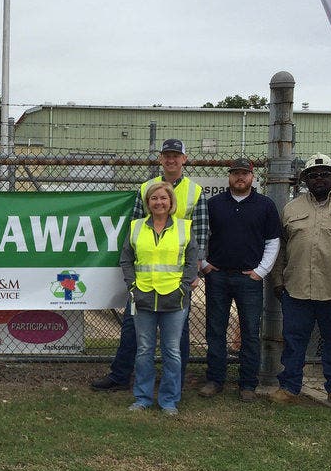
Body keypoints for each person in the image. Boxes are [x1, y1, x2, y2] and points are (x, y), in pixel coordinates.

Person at [92, 138, 208, 391]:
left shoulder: (195, 191)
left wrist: (195, 270)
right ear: (160, 159)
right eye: (167, 155)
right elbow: (134, 227)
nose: (171, 160)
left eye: (176, 155)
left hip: (176, 279)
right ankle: (121, 376)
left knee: (178, 335)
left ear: (184, 160)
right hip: (144, 279)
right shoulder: (146, 187)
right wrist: (132, 280)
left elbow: (200, 232)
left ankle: (175, 381)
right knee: (132, 329)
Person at [269, 154, 331, 407]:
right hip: (296, 288)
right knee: (294, 340)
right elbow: (281, 247)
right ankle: (289, 386)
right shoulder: (291, 209)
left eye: (324, 174)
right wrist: (277, 278)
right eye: (313, 175)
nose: (319, 179)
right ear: (305, 180)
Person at [200, 158, 281, 402]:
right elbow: (199, 235)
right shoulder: (213, 204)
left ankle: (247, 384)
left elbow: (273, 241)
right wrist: (204, 265)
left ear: (252, 176)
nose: (240, 177)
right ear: (229, 176)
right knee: (215, 330)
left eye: (244, 173)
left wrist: (261, 271)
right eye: (235, 173)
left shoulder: (265, 205)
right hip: (218, 276)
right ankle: (215, 379)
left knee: (249, 332)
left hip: (249, 279)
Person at [119, 181, 200, 415]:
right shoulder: (136, 227)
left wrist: (184, 288)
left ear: (171, 202)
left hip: (174, 299)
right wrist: (132, 285)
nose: (159, 202)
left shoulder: (184, 227)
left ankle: (169, 401)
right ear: (148, 203)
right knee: (144, 350)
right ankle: (142, 398)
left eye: (163, 198)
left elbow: (191, 260)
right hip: (143, 297)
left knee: (172, 351)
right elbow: (126, 259)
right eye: (154, 199)